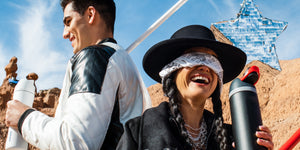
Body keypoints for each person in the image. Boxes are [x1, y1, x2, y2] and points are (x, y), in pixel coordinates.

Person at [5, 0, 151, 149]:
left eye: (68, 22)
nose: (64, 34)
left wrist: (23, 118)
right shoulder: (124, 62)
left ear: (90, 14)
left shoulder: (94, 57)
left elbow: (74, 142)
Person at [116, 25, 274, 150]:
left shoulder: (234, 139)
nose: (205, 67)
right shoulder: (137, 132)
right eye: (194, 58)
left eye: (212, 62)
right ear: (172, 71)